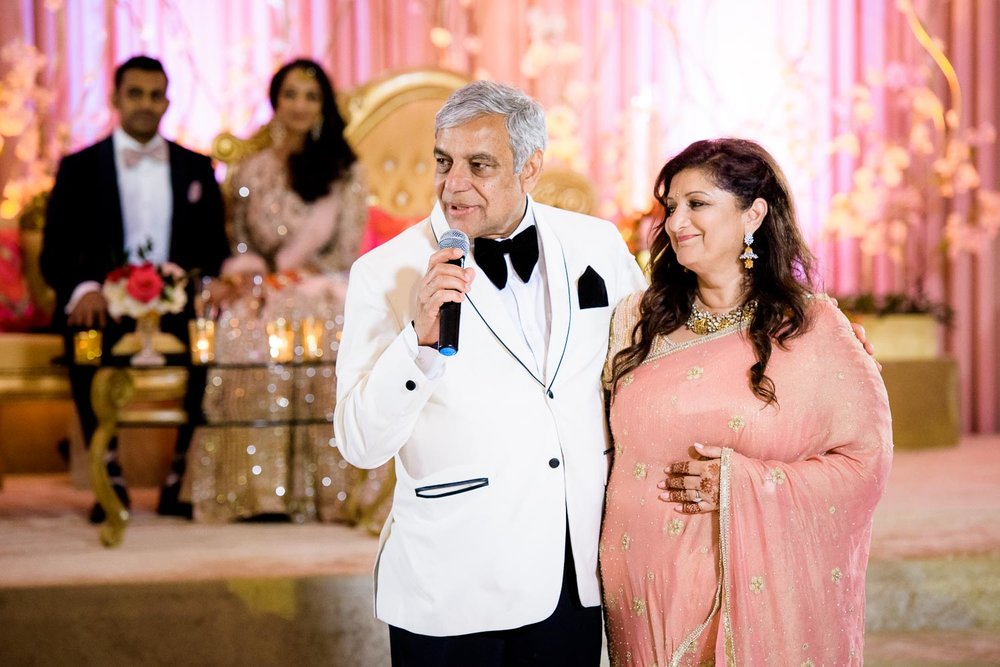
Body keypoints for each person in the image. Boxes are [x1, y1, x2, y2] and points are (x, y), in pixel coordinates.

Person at [333, 80, 647, 666]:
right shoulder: (383, 272)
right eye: (445, 163)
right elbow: (359, 442)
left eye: (480, 165)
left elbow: (655, 360)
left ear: (530, 169)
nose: (455, 184)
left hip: (571, 575)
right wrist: (418, 345)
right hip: (451, 583)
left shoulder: (596, 244)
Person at [601, 138, 893, 665]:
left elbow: (863, 463)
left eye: (697, 203)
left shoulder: (812, 329)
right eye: (670, 207)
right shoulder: (634, 320)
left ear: (753, 214)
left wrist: (743, 484)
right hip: (641, 575)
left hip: (744, 572)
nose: (676, 222)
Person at [40, 55, 229, 522]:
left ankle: (180, 475)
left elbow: (215, 248)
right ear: (116, 99)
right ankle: (109, 475)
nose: (146, 104)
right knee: (84, 343)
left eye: (155, 94)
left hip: (178, 302)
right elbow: (54, 251)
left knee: (212, 341)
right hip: (104, 304)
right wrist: (83, 289)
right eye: (135, 94)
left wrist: (204, 284)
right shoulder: (78, 167)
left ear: (167, 100)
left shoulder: (196, 167)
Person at [187, 58, 373, 523]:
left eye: (311, 96)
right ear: (275, 101)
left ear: (324, 106)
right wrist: (254, 275)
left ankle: (325, 494)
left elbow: (346, 248)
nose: (300, 105)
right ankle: (256, 491)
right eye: (291, 94)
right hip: (262, 285)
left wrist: (297, 276)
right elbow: (240, 243)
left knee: (318, 322)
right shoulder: (250, 171)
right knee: (240, 327)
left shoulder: (344, 171)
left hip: (323, 284)